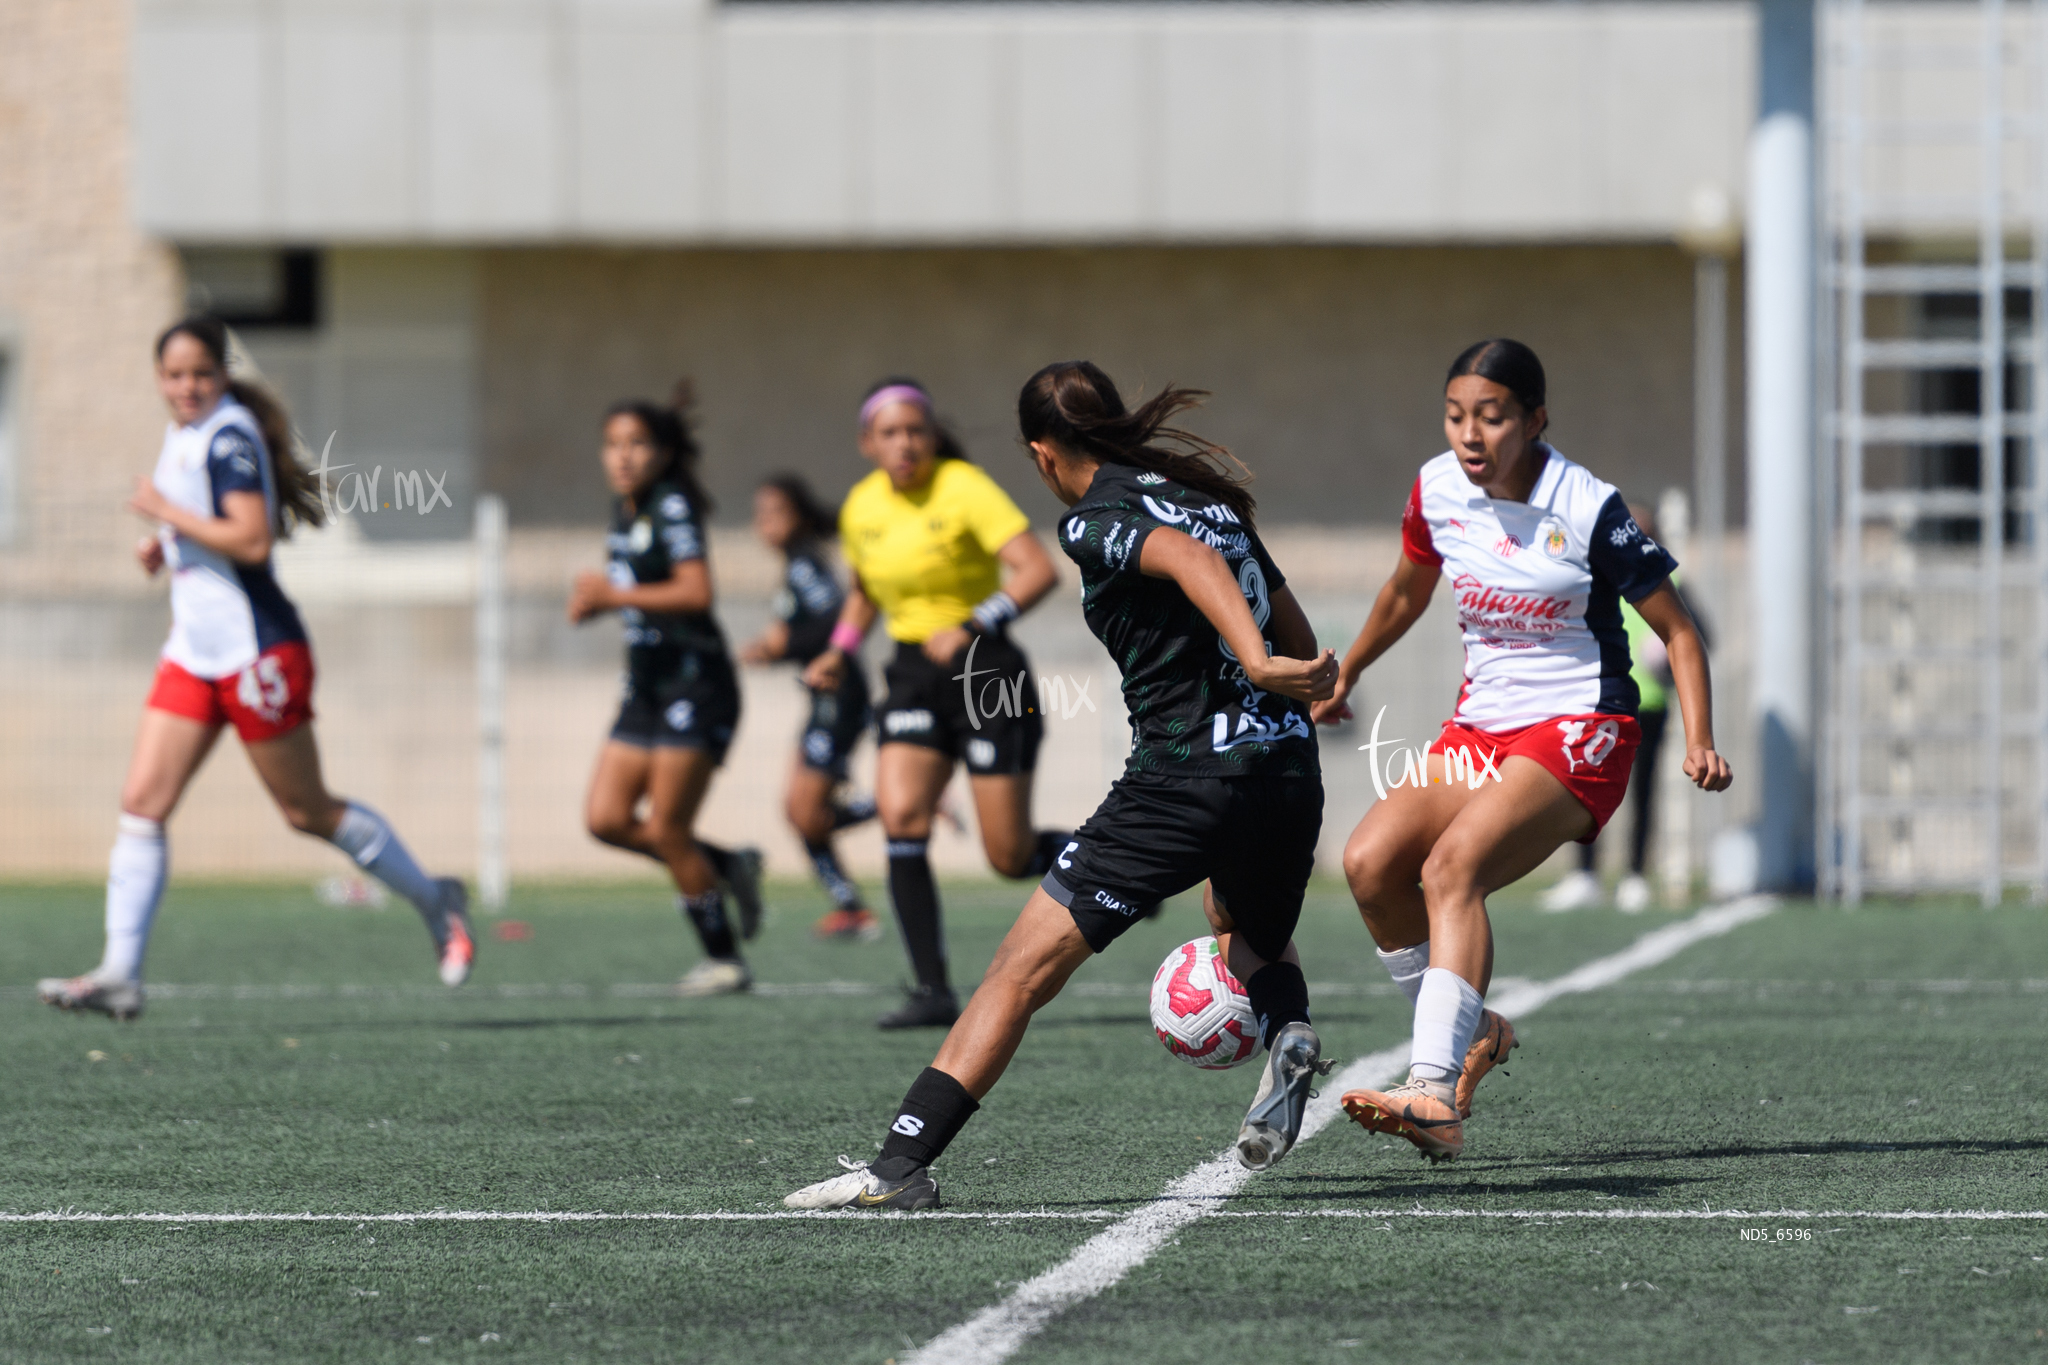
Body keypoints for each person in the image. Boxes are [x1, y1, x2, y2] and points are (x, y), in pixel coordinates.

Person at [784, 361, 1340, 1210]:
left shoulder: (1094, 519)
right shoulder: (1209, 500)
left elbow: (1189, 564)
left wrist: (1261, 663)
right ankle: (1288, 1027)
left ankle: (897, 1167)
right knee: (1242, 927)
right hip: (1287, 771)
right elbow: (1280, 613)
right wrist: (1294, 677)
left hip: (1184, 779)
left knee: (1016, 973)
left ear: (1041, 453)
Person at [1314, 339, 1732, 1162]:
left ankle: (1432, 1091)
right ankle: (1474, 1032)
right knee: (1369, 861)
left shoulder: (1586, 505)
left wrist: (1701, 739)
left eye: (1493, 417)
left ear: (1536, 420)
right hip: (1482, 728)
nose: (1471, 435)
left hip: (1585, 725)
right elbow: (1406, 589)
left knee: (1449, 868)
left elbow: (1679, 632)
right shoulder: (1436, 487)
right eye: (1456, 415)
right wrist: (1349, 667)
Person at [37, 316, 473, 1021]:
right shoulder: (186, 433)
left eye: (200, 374)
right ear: (158, 378)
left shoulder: (231, 434)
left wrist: (165, 511)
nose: (187, 387)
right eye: (174, 375)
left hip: (255, 652)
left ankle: (436, 899)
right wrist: (166, 543)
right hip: (194, 651)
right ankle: (120, 971)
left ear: (221, 373)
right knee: (142, 803)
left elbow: (250, 536)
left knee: (309, 811)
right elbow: (207, 529)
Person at [801, 378, 1065, 1030]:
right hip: (914, 673)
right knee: (902, 816)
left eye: (915, 429)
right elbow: (863, 592)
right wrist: (839, 647)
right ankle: (932, 990)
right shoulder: (861, 508)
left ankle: (1102, 860)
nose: (904, 443)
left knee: (1008, 857)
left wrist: (976, 623)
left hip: (987, 667)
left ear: (931, 433)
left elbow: (1037, 569)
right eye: (889, 432)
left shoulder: (963, 488)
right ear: (868, 443)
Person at [573, 384, 765, 998]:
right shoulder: (626, 509)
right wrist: (601, 605)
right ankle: (727, 865)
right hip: (647, 684)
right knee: (605, 818)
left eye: (636, 444)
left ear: (661, 452)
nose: (622, 456)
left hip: (696, 681)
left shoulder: (673, 504)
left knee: (666, 828)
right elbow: (640, 594)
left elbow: (695, 592)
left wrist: (612, 596)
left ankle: (726, 960)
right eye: (612, 445)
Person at [738, 474, 881, 941]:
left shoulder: (804, 566)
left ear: (797, 518)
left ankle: (905, 800)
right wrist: (773, 644)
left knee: (806, 812)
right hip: (824, 699)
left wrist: (777, 650)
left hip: (840, 699)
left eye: (774, 513)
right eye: (759, 515)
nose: (764, 524)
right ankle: (849, 907)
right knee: (798, 810)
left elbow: (832, 623)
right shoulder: (795, 566)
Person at [1539, 503, 1699, 914]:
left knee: (1642, 792)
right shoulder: (1591, 572)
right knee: (1583, 787)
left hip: (1647, 703)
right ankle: (1585, 874)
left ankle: (1634, 877)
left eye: (1640, 529)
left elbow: (1697, 635)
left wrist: (1666, 651)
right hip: (1597, 701)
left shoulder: (1668, 577)